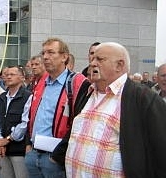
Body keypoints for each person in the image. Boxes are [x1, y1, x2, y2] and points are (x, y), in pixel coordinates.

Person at [65, 42, 166, 177]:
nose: (92, 63)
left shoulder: (143, 98)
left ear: (119, 65)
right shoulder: (87, 93)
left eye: (100, 59)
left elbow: (160, 153)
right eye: (93, 58)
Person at [25, 38, 89, 178]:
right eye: (43, 53)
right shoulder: (41, 83)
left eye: (51, 52)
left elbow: (79, 123)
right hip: (33, 153)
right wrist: (28, 145)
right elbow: (31, 115)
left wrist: (57, 156)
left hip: (55, 159)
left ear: (64, 57)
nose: (45, 57)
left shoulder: (77, 83)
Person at [0, 66, 32, 178]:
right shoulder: (2, 97)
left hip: (18, 149)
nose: (8, 76)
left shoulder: (27, 96)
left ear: (22, 77)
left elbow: (25, 123)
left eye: (12, 74)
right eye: (7, 74)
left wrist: (7, 140)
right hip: (2, 150)